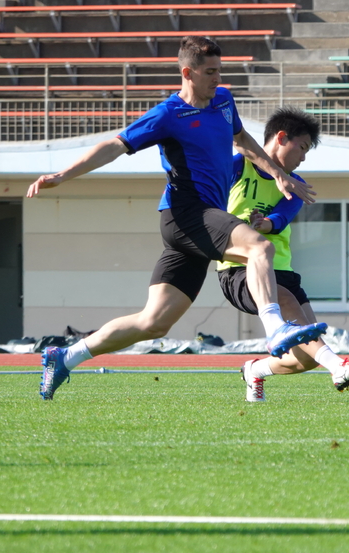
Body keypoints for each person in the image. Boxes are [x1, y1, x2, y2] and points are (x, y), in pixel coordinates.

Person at [26, 36, 326, 400]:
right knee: (259, 247)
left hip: (200, 224)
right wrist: (62, 175)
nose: (218, 78)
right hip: (185, 214)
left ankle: (65, 357)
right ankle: (275, 327)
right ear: (188, 73)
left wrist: (277, 173)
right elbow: (115, 146)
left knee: (154, 322)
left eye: (220, 70)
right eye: (210, 72)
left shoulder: (223, 101)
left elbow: (243, 140)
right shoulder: (168, 114)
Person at [217, 107, 349, 402]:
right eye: (302, 147)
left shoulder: (294, 183)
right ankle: (338, 367)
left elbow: (280, 218)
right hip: (239, 267)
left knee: (306, 357)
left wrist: (263, 224)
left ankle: (255, 370)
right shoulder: (236, 167)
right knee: (284, 300)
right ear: (281, 137)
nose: (303, 157)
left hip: (283, 271)